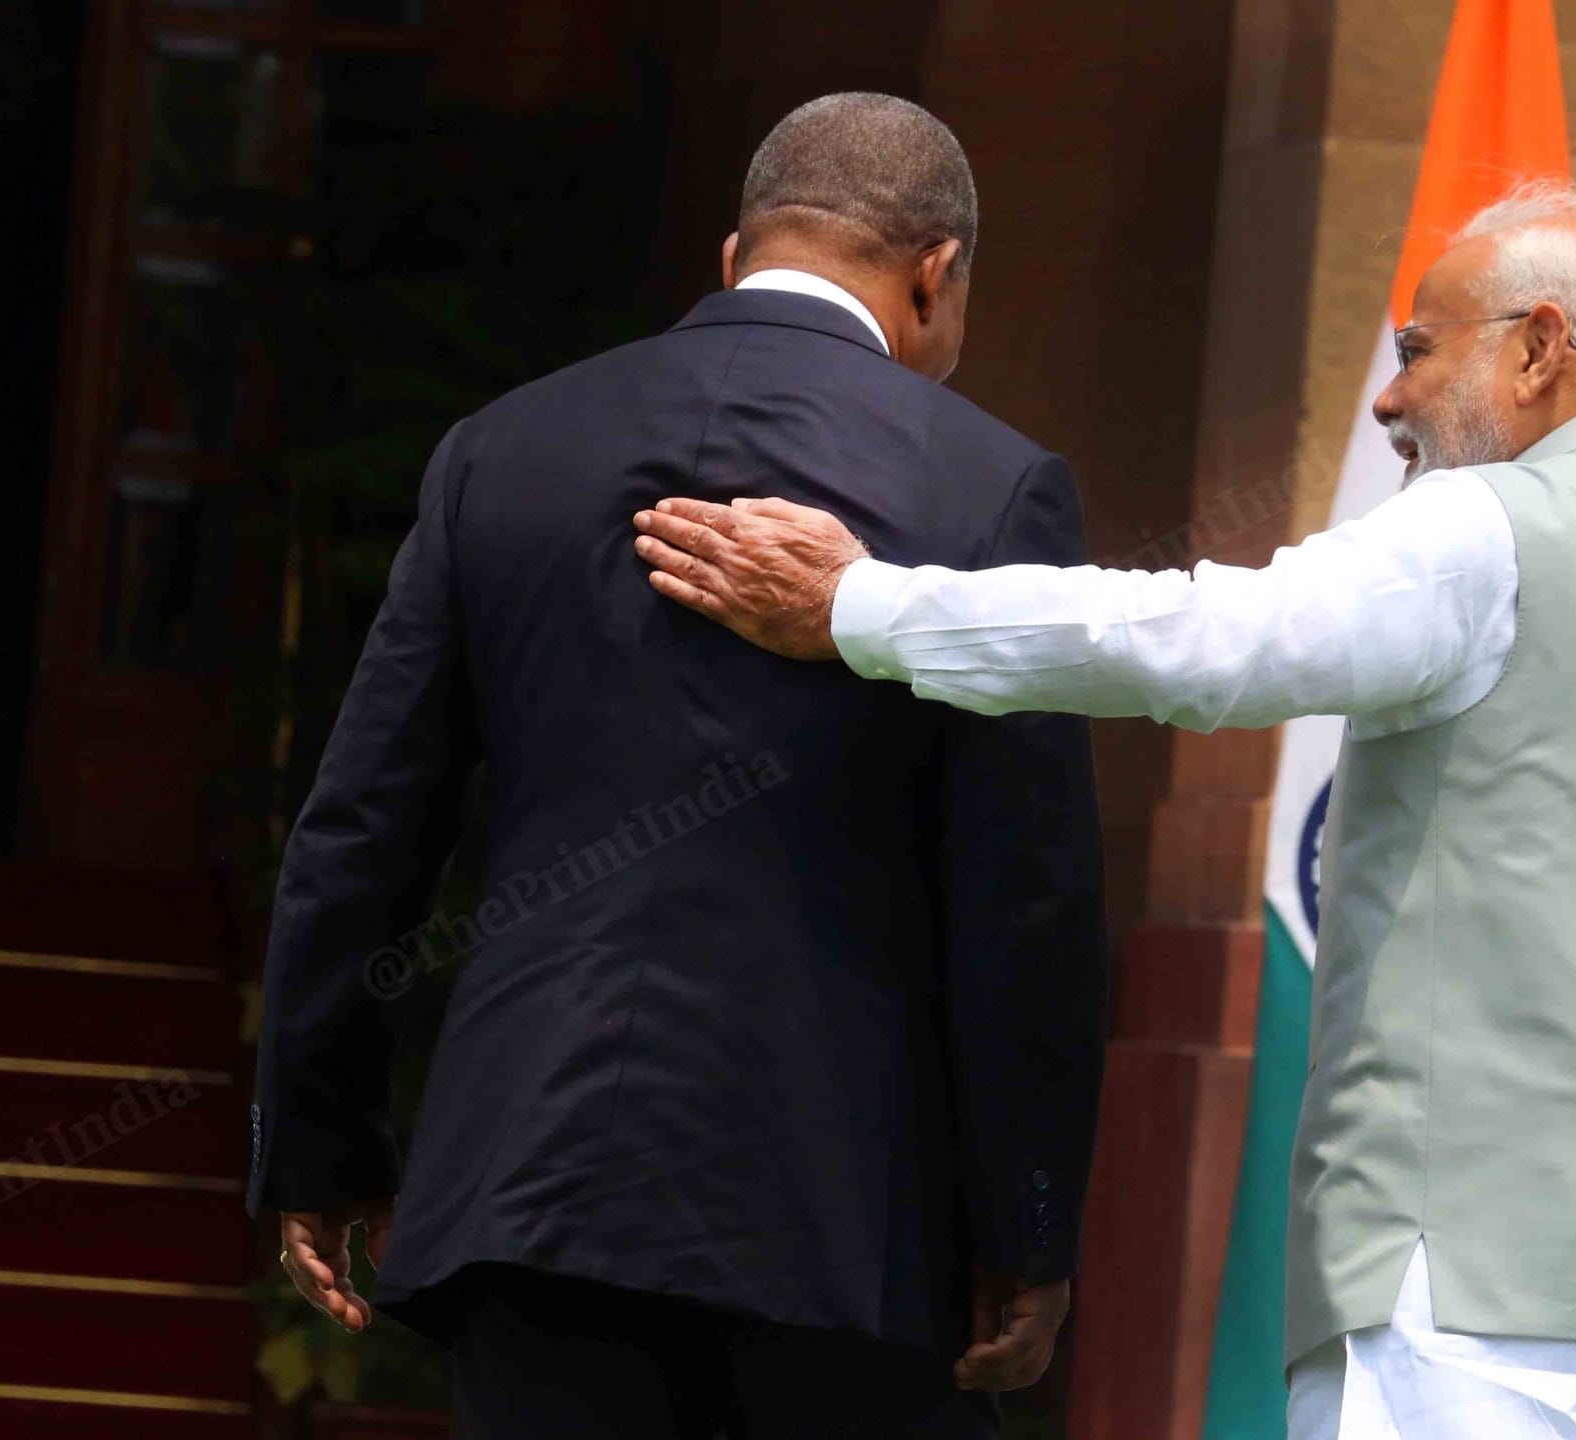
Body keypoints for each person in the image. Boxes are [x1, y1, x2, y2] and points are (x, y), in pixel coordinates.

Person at [631, 181, 1576, 1440]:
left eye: (1421, 348)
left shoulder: (1482, 529)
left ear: (1541, 349)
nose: (1390, 392)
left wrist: (864, 607)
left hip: (1460, 1319)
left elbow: (1202, 639)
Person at [245, 93, 1112, 1440]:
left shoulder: (502, 450)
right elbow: (1030, 897)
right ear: (939, 274)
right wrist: (1026, 1227)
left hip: (534, 1191)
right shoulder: (992, 490)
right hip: (845, 1226)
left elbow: (361, 831)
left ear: (733, 256)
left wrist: (319, 1141)